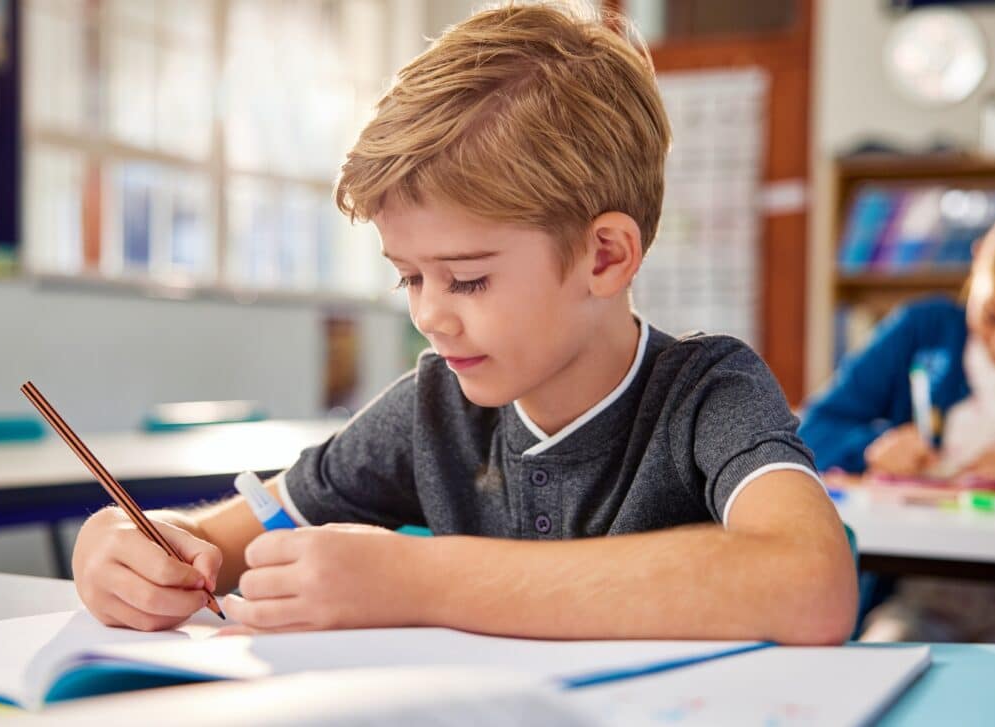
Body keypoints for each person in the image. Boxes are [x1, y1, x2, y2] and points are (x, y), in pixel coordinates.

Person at [71, 3, 856, 644]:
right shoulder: (429, 411)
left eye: (468, 277)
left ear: (606, 256)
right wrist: (141, 546)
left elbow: (809, 584)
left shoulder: (707, 393)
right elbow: (237, 536)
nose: (429, 315)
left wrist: (418, 580)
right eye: (409, 275)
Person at [800, 194, 995, 642]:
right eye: (992, 315)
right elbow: (812, 431)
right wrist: (872, 448)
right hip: (915, 595)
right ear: (977, 263)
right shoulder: (922, 330)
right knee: (887, 655)